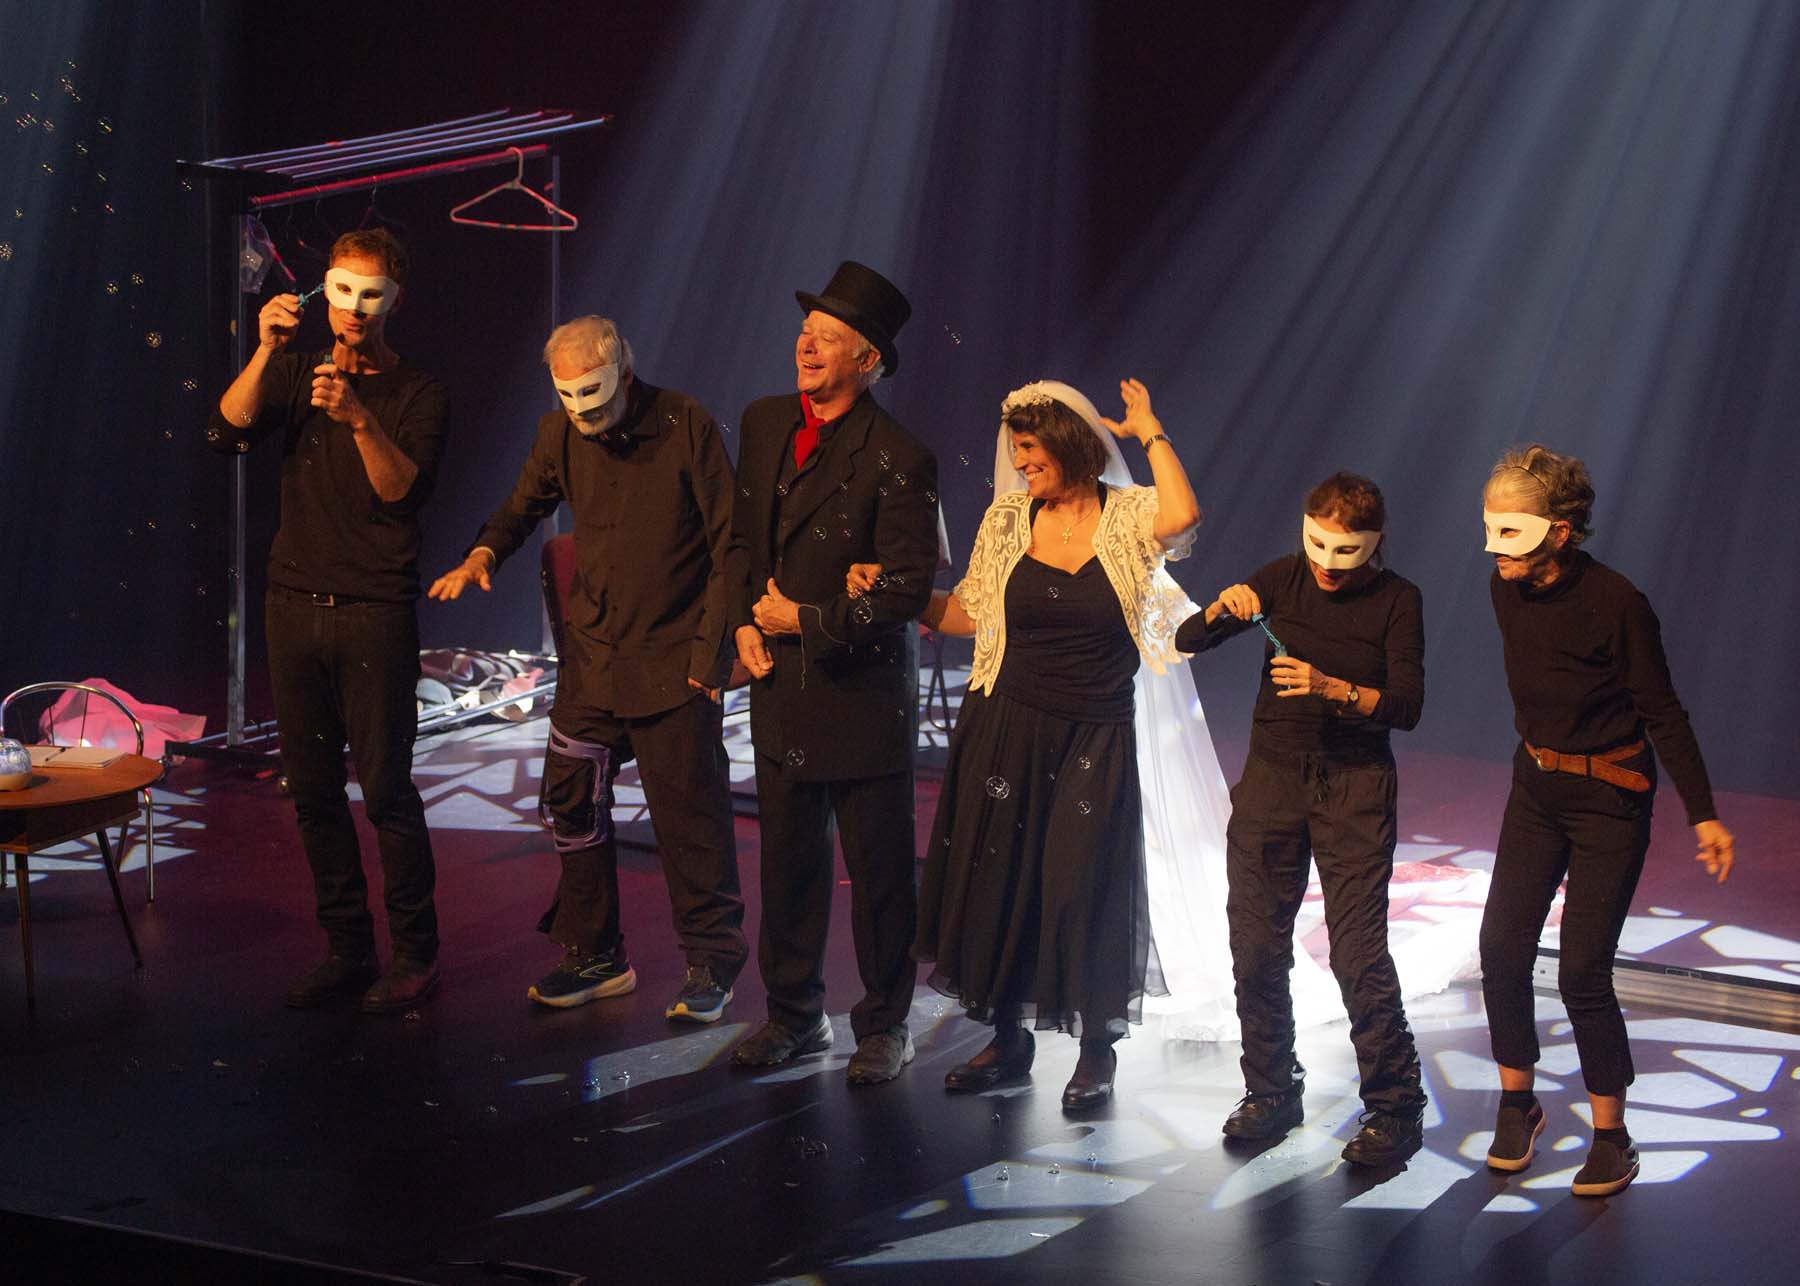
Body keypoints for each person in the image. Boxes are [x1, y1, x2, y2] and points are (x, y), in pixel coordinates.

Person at [891, 378, 1202, 1112]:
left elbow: (1183, 515)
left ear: (1069, 444)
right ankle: (1008, 1039)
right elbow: (969, 613)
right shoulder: (1007, 519)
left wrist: (1150, 432)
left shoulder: (1128, 516)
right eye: (1016, 451)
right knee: (1002, 877)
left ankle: (1096, 1050)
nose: (1021, 463)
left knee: (1081, 881)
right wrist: (900, 596)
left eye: (1032, 450)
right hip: (1006, 723)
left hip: (1094, 726)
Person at [428, 317, 746, 1020]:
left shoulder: (685, 423)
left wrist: (711, 654)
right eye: (569, 398)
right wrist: (484, 553)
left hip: (673, 660)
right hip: (594, 660)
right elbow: (521, 506)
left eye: (595, 398)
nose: (583, 414)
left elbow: (732, 542)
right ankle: (595, 954)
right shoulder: (558, 434)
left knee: (688, 819)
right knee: (572, 803)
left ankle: (712, 962)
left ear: (625, 375)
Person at [1476, 445, 1735, 1196]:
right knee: (1501, 949)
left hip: (1609, 799)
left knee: (1583, 970)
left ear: (1560, 532)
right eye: (1490, 529)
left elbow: (1663, 711)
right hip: (1537, 788)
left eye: (1513, 533)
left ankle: (1613, 1138)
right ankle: (1518, 1104)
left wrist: (1704, 814)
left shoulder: (1617, 603)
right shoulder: (1505, 588)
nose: (1495, 551)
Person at [209, 228, 448, 1012]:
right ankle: (348, 949)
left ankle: (415, 956)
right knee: (313, 791)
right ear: (324, 292)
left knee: (385, 791)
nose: (353, 309)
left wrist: (357, 418)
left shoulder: (418, 393)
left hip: (374, 610)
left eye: (370, 295)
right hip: (294, 603)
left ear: (394, 303)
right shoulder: (297, 367)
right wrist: (263, 349)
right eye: (342, 290)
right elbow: (227, 431)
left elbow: (401, 493)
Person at [1174, 472, 1429, 1166]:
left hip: (1353, 785)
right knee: (1256, 944)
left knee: (1357, 953)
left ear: (1374, 544)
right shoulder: (1283, 578)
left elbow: (1407, 706)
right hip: (1273, 782)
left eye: (1347, 551)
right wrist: (1223, 608)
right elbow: (1190, 639)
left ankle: (1395, 1105)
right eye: (1318, 545)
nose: (1328, 563)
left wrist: (1331, 688)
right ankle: (1271, 1088)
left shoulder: (1397, 600)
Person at [725, 262, 939, 1085]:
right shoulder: (764, 421)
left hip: (860, 693)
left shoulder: (899, 456)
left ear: (867, 360)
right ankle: (792, 1016)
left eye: (827, 337)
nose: (805, 345)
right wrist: (745, 622)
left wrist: (807, 621)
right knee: (788, 862)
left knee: (878, 871)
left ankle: (885, 1025)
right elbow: (741, 541)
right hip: (781, 684)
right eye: (806, 331)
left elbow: (907, 589)